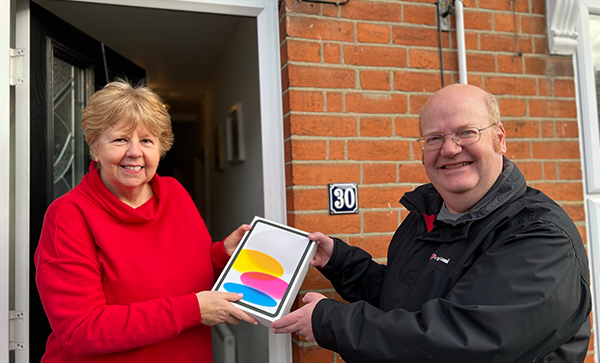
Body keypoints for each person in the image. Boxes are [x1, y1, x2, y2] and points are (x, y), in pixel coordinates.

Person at [272, 83, 592, 362]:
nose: (450, 149)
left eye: (466, 132)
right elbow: (403, 298)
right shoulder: (424, 217)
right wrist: (339, 261)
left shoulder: (540, 235)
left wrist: (331, 321)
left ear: (500, 138)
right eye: (434, 138)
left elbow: (461, 342)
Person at [35, 81, 257, 363]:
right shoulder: (69, 214)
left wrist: (221, 253)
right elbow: (82, 329)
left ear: (160, 149)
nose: (135, 152)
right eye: (120, 140)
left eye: (147, 140)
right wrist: (192, 310)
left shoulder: (175, 194)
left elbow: (184, 276)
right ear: (95, 148)